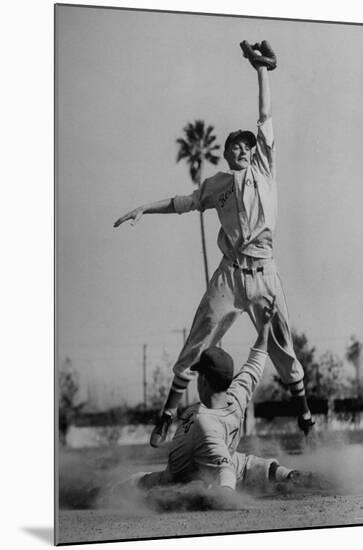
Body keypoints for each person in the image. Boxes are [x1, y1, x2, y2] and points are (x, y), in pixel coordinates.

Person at [114, 40, 314, 447]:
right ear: (224, 153)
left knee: (282, 345)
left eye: (246, 144)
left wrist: (261, 70)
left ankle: (306, 417)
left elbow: (264, 115)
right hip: (231, 273)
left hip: (265, 272)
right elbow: (182, 203)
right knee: (199, 336)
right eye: (234, 145)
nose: (242, 148)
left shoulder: (265, 169)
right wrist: (142, 208)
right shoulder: (217, 185)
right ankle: (167, 415)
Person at [113, 299, 300, 498]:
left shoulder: (204, 421)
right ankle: (289, 476)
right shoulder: (238, 393)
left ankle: (279, 478)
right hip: (217, 463)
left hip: (179, 481)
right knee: (248, 465)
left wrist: (227, 496)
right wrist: (265, 326)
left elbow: (224, 470)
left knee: (193, 484)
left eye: (199, 375)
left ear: (204, 380)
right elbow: (257, 358)